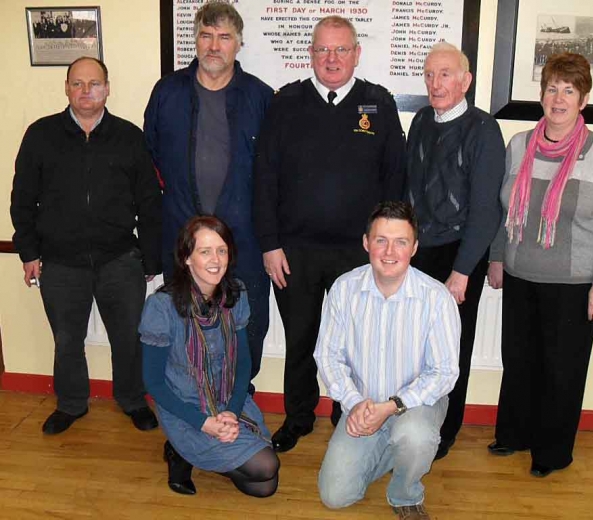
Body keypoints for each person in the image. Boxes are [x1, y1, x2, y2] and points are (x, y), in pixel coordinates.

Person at [253, 15, 406, 453]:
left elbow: (394, 178)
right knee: (300, 340)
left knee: (353, 346)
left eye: (341, 49)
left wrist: (387, 247)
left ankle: (347, 416)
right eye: (323, 50)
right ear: (311, 54)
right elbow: (264, 178)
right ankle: (298, 417)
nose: (332, 58)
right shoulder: (285, 103)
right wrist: (269, 243)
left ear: (357, 53)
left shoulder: (378, 103)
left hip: (357, 255)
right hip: (295, 252)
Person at [486, 53, 593, 478]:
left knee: (562, 372)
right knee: (519, 362)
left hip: (573, 285)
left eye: (569, 90)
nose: (559, 98)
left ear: (583, 99)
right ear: (541, 93)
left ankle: (551, 453)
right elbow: (503, 210)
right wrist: (497, 259)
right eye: (552, 88)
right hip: (518, 275)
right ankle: (514, 434)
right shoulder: (518, 145)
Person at [10, 56, 162, 435]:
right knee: (66, 340)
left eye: (94, 83)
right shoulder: (41, 135)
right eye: (77, 83)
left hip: (120, 259)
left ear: (107, 88)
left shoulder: (129, 137)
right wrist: (28, 252)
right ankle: (72, 404)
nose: (86, 91)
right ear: (66, 88)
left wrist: (151, 256)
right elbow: (22, 199)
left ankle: (131, 399)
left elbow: (149, 201)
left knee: (128, 338)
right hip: (61, 262)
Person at [144, 1, 272, 388]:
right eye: (206, 35)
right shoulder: (168, 92)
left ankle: (237, 401)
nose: (214, 45)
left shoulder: (261, 97)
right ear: (195, 40)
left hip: (244, 241)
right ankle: (192, 414)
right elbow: (150, 157)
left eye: (224, 37)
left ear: (238, 44)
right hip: (183, 238)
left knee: (248, 327)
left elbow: (274, 171)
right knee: (185, 330)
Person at [314, 201, 460, 520]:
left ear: (415, 247)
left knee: (415, 436)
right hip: (363, 405)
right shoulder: (343, 289)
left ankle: (405, 491)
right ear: (367, 243)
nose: (389, 251)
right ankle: (394, 450)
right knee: (335, 496)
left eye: (401, 242)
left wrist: (391, 407)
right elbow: (328, 356)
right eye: (381, 240)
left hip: (416, 406)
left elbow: (444, 373)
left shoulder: (436, 298)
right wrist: (354, 404)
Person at [406, 42, 506, 459]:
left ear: (465, 80)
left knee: (452, 346)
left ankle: (445, 429)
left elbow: (487, 211)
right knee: (413, 344)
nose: (435, 83)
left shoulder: (483, 129)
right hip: (418, 252)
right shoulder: (421, 122)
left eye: (445, 74)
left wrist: (463, 271)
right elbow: (408, 189)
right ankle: (413, 418)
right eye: (429, 75)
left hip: (459, 255)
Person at [140, 215, 279, 497]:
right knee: (265, 468)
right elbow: (153, 383)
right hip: (184, 407)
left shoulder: (234, 294)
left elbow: (242, 363)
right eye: (204, 251)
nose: (215, 259)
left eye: (222, 250)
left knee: (266, 485)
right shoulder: (161, 307)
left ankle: (186, 452)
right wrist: (205, 423)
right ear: (187, 258)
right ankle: (182, 450)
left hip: (226, 399)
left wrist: (231, 409)